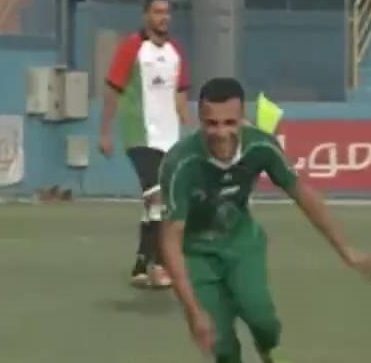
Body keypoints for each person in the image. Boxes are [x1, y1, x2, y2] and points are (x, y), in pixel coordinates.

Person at [159, 77, 371, 362]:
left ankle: (268, 350)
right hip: (196, 253)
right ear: (200, 121)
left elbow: (303, 195)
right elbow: (171, 239)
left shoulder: (260, 147)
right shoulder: (180, 163)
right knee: (221, 346)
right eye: (212, 124)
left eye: (230, 123)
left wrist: (347, 250)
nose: (221, 133)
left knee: (263, 321)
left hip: (241, 243)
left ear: (242, 118)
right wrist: (193, 310)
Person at [99, 0, 193, 288]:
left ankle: (142, 265)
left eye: (167, 12)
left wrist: (191, 127)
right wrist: (105, 131)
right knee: (157, 196)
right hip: (139, 134)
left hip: (170, 138)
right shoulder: (132, 48)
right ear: (146, 16)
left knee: (157, 202)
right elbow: (112, 90)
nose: (164, 17)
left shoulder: (176, 52)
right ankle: (159, 265)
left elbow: (180, 96)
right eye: (157, 12)